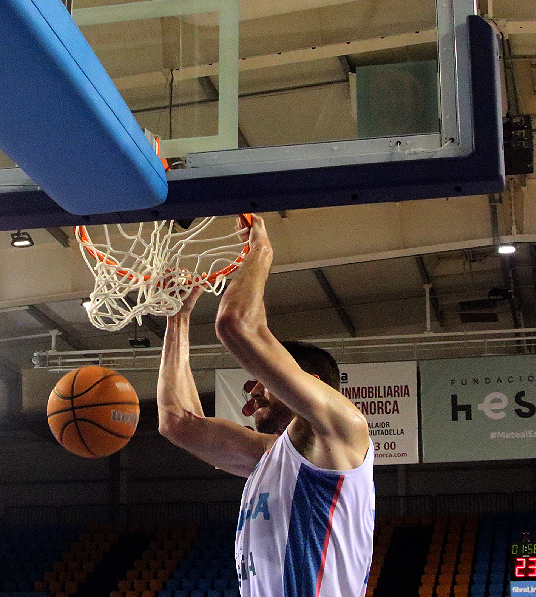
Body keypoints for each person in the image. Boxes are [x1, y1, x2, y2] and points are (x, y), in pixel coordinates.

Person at [157, 213, 374, 597]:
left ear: (311, 384)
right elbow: (178, 422)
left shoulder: (345, 429)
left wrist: (258, 252)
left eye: (263, 382)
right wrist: (179, 319)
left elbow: (236, 325)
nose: (253, 393)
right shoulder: (272, 457)